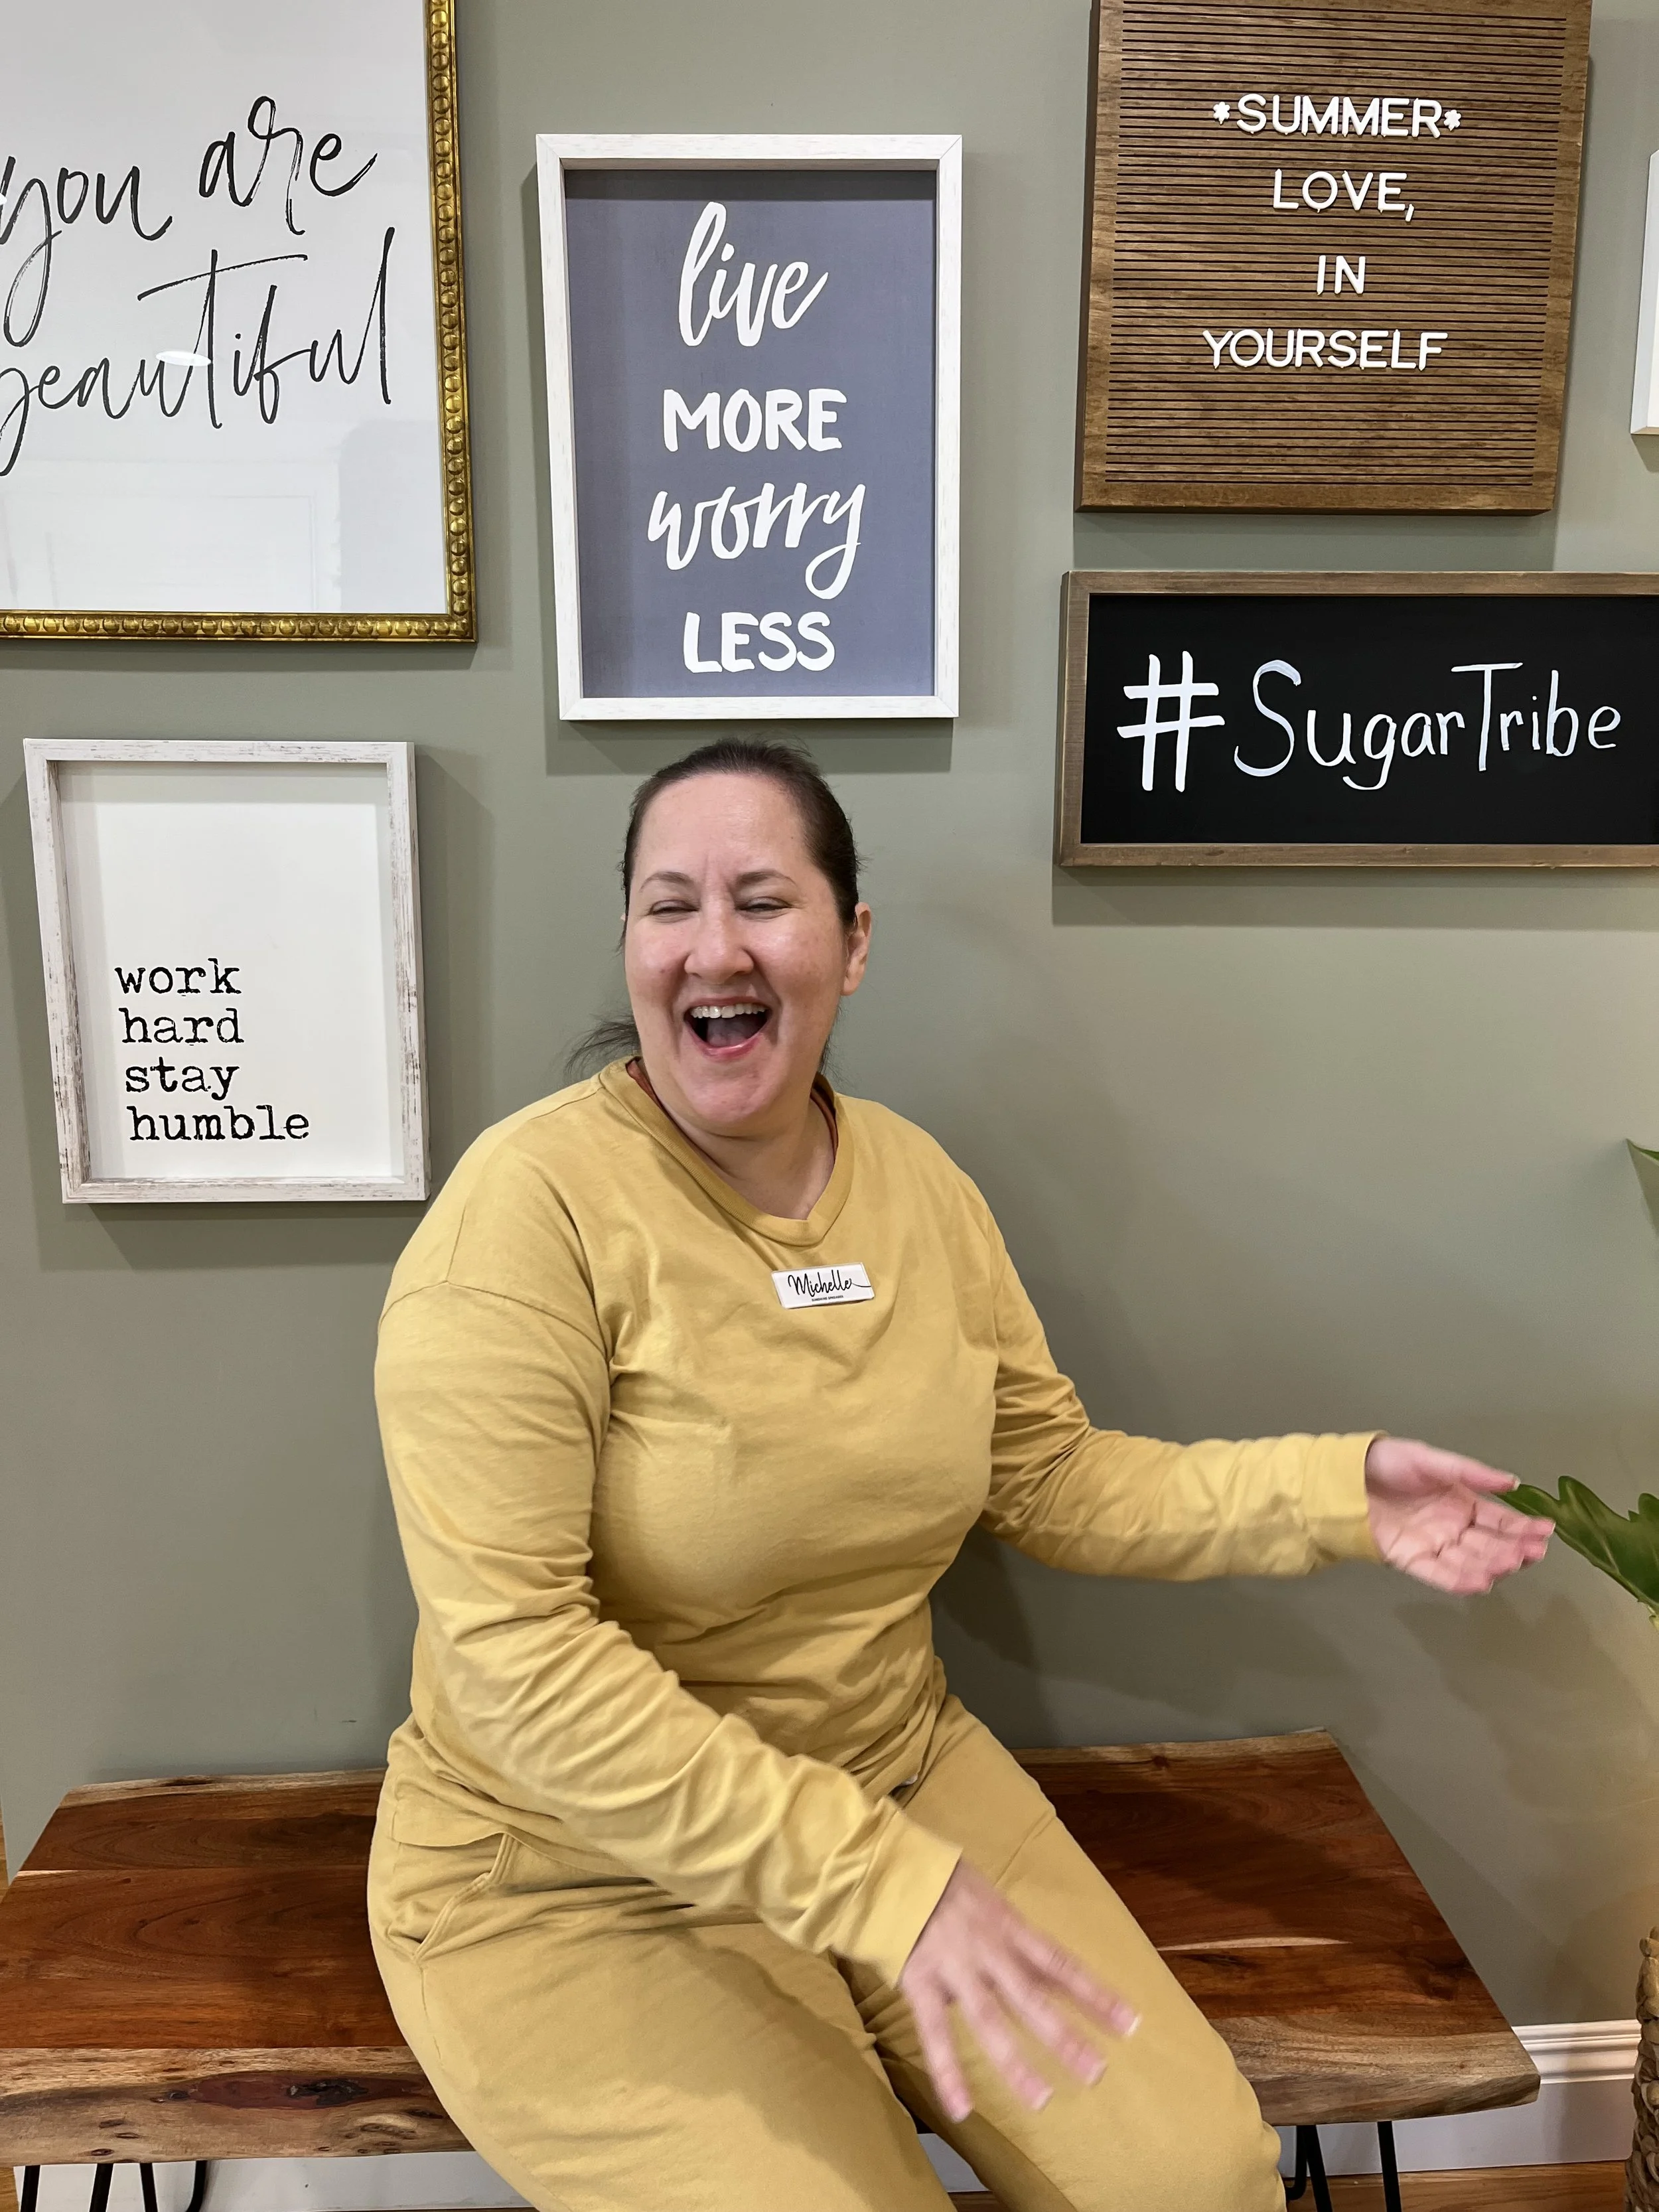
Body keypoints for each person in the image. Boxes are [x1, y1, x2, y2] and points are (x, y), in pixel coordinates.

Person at [367, 738, 1551, 2212]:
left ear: (851, 944)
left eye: (762, 899)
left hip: (890, 1774)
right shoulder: (524, 1216)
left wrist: (1328, 1490)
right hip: (569, 1870)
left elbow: (1051, 1480)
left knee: (1193, 2180)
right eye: (667, 905)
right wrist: (878, 1887)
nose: (710, 947)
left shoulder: (921, 1188)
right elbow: (514, 1665)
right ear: (628, 943)